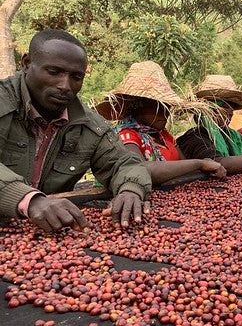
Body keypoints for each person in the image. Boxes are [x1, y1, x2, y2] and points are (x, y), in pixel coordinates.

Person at [0, 29, 152, 232]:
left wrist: (130, 190)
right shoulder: (4, 102)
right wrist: (30, 200)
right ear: (26, 64)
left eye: (76, 77)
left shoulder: (89, 125)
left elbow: (125, 163)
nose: (65, 86)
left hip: (44, 236)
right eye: (54, 72)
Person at [96, 62, 226, 185]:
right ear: (137, 105)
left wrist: (206, 166)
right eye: (158, 106)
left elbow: (184, 164)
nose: (166, 112)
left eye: (167, 106)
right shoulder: (125, 136)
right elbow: (141, 169)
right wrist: (199, 164)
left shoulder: (164, 136)